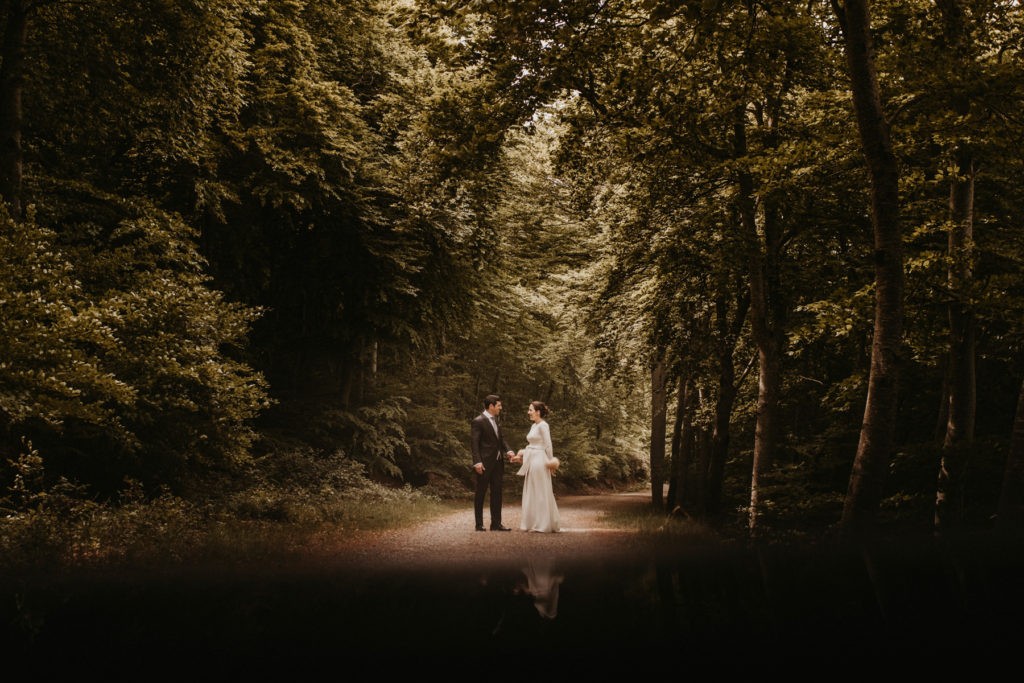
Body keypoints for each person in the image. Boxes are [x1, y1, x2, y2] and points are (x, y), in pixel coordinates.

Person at [513, 400, 560, 533]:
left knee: (540, 491)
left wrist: (551, 463)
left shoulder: (543, 426)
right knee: (532, 490)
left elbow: (548, 445)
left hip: (540, 460)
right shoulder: (534, 426)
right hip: (532, 459)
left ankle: (543, 524)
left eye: (530, 410)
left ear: (538, 412)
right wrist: (521, 454)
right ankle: (532, 522)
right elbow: (532, 445)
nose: (528, 412)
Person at [470, 394, 516, 531]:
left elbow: (501, 439)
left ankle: (496, 524)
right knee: (480, 493)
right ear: (491, 406)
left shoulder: (496, 420)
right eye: (499, 405)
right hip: (484, 463)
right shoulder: (478, 421)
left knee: (497, 493)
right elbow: (474, 443)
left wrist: (508, 450)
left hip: (498, 463)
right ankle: (479, 524)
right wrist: (477, 461)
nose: (500, 408)